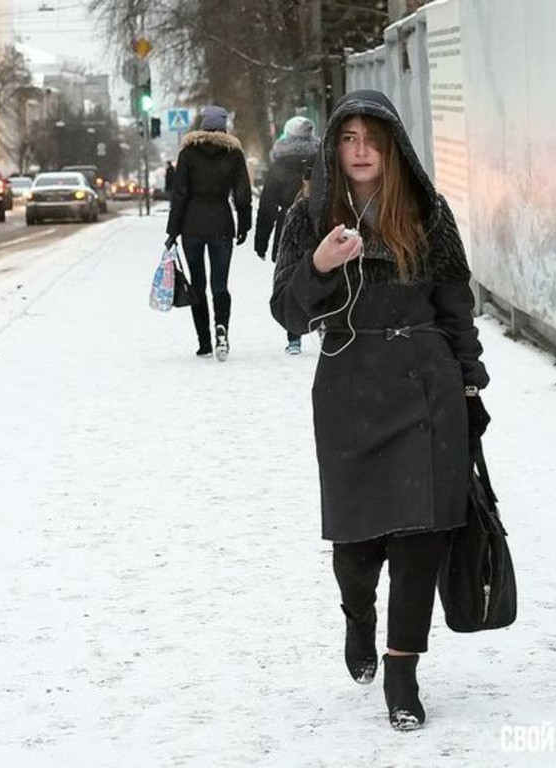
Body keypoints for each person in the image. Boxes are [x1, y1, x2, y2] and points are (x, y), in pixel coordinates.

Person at [269, 90, 490, 731]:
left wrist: (471, 386)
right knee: (357, 548)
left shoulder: (427, 212)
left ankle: (403, 670)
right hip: (347, 387)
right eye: (348, 137)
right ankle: (358, 613)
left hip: (427, 387)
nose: (360, 149)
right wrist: (318, 264)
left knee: (422, 538)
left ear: (392, 145)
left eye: (372, 137)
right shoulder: (310, 216)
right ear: (334, 147)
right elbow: (286, 311)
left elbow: (456, 308)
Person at [165, 105, 253, 361]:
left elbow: (179, 193)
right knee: (220, 284)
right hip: (222, 225)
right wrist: (244, 224)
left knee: (198, 284)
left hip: (191, 226)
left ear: (203, 126)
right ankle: (221, 331)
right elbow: (242, 194)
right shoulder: (233, 153)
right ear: (224, 127)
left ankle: (204, 341)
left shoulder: (189, 153)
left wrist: (173, 230)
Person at [254, 115, 321, 355]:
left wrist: (261, 240)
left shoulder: (279, 165)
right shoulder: (322, 161)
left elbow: (268, 204)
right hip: (319, 225)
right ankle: (323, 323)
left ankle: (294, 337)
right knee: (323, 272)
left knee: (290, 277)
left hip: (288, 227)